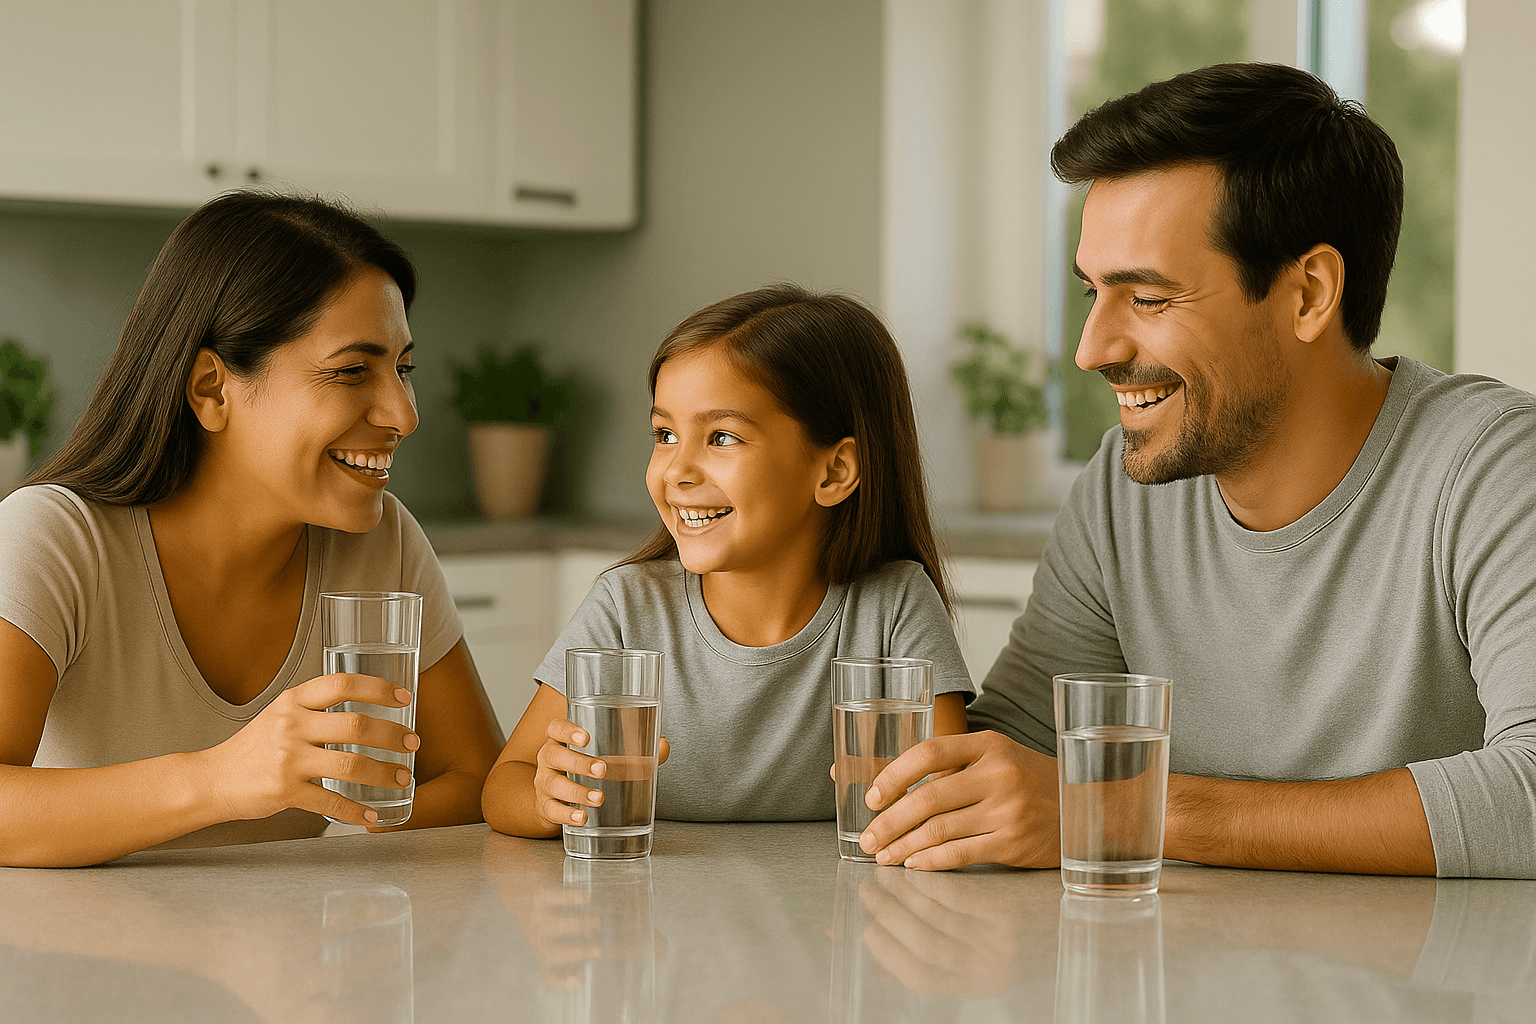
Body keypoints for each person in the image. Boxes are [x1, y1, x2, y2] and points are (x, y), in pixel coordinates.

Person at [857, 62, 1536, 879]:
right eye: (1091, 295)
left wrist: (1118, 809)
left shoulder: (1495, 469)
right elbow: (1019, 763)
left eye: (1147, 299)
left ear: (1309, 294)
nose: (1092, 349)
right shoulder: (1123, 489)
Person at [0, 192, 502, 867]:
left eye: (402, 368)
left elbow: (477, 782)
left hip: (292, 958)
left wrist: (348, 852)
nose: (403, 413)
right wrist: (221, 779)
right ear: (211, 388)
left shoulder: (381, 541)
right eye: (353, 370)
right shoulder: (55, 539)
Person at [482, 285, 974, 836]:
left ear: (834, 472)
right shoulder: (627, 607)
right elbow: (505, 785)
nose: (677, 471)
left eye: (721, 437)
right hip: (651, 914)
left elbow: (947, 793)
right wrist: (549, 800)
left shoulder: (893, 605)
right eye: (665, 435)